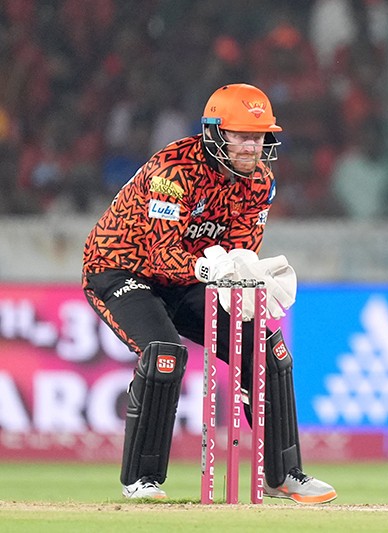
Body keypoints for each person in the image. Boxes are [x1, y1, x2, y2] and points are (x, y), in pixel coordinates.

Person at [82, 83, 336, 504]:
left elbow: (240, 251)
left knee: (266, 348)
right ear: (215, 132)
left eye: (259, 137)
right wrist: (207, 268)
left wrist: (248, 277)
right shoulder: (173, 172)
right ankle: (141, 480)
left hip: (186, 279)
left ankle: (283, 475)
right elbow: (161, 253)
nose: (252, 147)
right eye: (241, 135)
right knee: (163, 353)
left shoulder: (260, 182)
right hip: (119, 270)